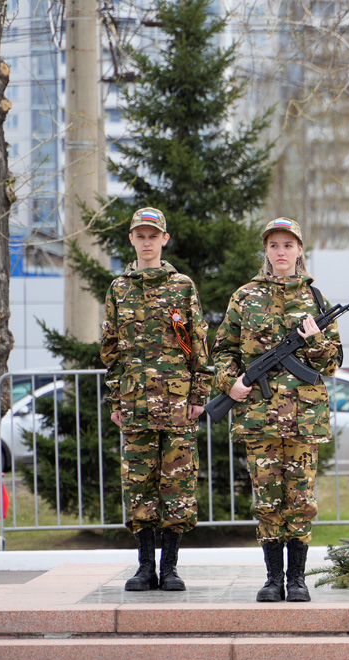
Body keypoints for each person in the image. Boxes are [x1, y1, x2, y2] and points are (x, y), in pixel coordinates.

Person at [211, 218, 342, 602]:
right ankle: (272, 579)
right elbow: (222, 351)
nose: (281, 252)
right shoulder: (245, 296)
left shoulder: (317, 300)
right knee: (267, 500)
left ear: (300, 250)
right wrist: (229, 382)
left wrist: (315, 342)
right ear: (266, 251)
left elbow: (332, 364)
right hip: (257, 418)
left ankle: (297, 579)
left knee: (300, 500)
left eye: (288, 245)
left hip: (304, 420)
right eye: (274, 246)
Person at [101, 207, 211, 591]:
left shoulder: (182, 286)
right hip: (135, 404)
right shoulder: (119, 288)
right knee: (138, 484)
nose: (147, 242)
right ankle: (145, 566)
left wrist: (199, 394)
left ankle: (171, 568)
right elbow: (111, 350)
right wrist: (116, 399)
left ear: (165, 239)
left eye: (153, 236)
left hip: (178, 404)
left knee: (177, 485)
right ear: (131, 239)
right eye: (140, 236)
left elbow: (197, 343)